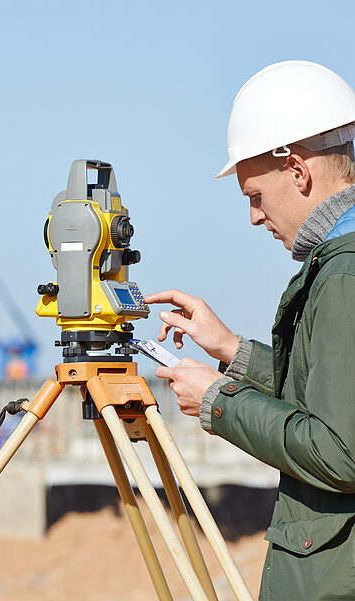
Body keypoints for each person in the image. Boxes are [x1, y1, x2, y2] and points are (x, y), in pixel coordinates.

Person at [146, 61, 355, 601]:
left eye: (255, 196)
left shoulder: (345, 275)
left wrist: (219, 402)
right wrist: (232, 351)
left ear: (298, 170)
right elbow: (332, 400)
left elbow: (341, 450)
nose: (256, 218)